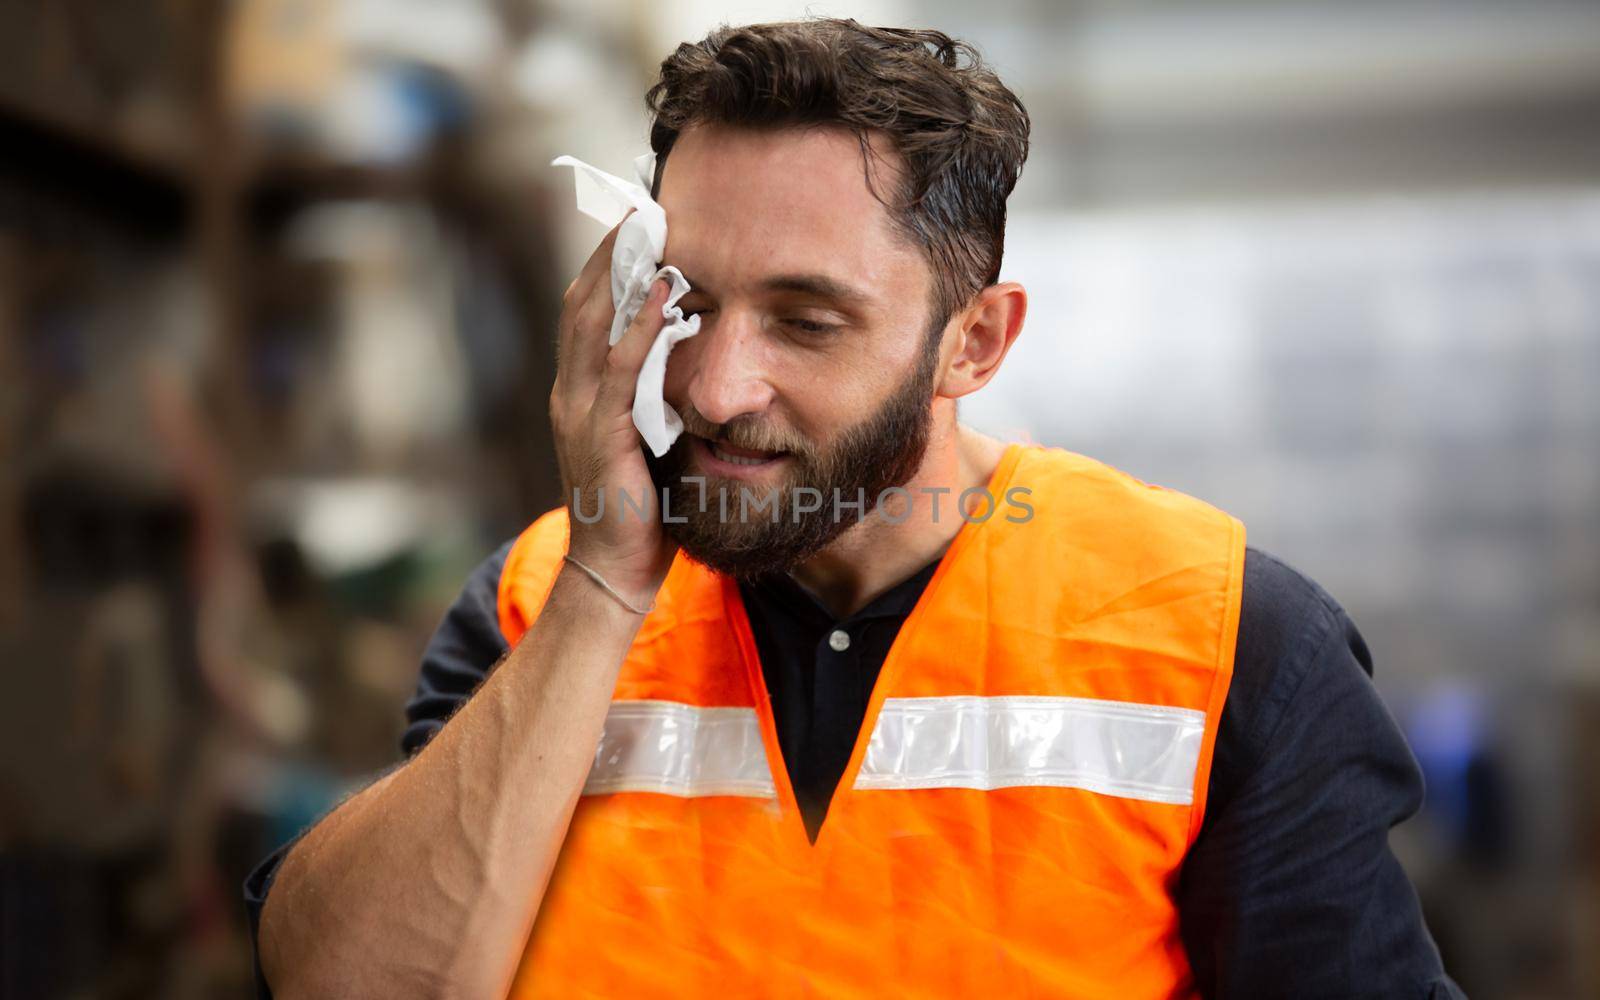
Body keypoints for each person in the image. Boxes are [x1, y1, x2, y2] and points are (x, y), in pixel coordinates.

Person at [245, 18, 1464, 999]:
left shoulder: (1222, 640)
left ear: (972, 342)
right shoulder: (534, 601)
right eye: (682, 299)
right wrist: (604, 584)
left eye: (806, 321)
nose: (715, 386)